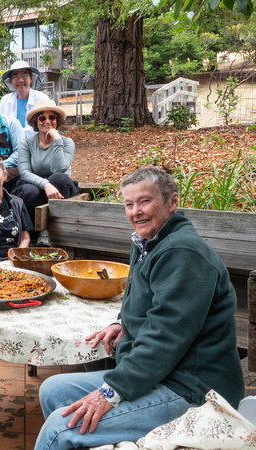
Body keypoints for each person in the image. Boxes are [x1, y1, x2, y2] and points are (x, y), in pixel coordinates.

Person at [35, 166, 245, 449]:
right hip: (162, 374)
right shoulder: (149, 241)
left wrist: (111, 392)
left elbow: (165, 338)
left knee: (60, 430)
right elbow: (147, 301)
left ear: (172, 201)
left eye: (145, 201)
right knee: (53, 389)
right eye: (129, 204)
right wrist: (121, 322)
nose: (136, 212)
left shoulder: (182, 253)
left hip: (193, 389)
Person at [13, 99, 80, 246]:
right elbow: (24, 172)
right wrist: (45, 185)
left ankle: (49, 231)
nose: (47, 121)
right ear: (36, 122)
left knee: (58, 178)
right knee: (28, 190)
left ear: (57, 121)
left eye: (52, 117)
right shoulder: (26, 144)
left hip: (61, 189)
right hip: (37, 189)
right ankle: (30, 233)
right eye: (42, 118)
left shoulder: (67, 142)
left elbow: (59, 169)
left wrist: (56, 140)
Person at [0, 60, 49, 138]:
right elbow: (0, 126)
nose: (20, 80)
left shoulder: (42, 99)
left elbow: (46, 127)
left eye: (25, 75)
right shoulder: (5, 100)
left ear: (31, 78)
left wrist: (15, 133)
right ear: (11, 81)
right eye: (15, 76)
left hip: (37, 146)